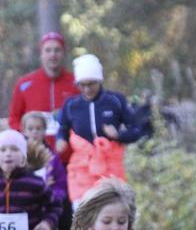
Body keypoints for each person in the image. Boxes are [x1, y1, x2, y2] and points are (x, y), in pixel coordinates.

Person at [55, 54, 148, 203]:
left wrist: (118, 136)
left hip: (110, 167)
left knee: (111, 213)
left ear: (99, 80)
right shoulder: (71, 105)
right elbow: (63, 128)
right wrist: (61, 139)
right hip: (82, 169)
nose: (87, 89)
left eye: (91, 84)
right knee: (83, 217)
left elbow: (137, 129)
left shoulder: (115, 100)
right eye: (82, 85)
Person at [21, 111, 73, 230]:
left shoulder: (52, 157)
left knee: (66, 224)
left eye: (39, 128)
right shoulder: (18, 155)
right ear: (24, 130)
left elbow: (60, 183)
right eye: (31, 128)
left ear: (45, 131)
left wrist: (54, 195)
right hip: (30, 205)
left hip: (53, 201)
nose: (35, 132)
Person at [7, 31, 79, 152]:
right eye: (48, 50)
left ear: (64, 54)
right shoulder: (24, 84)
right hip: (34, 156)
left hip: (70, 158)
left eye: (57, 50)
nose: (53, 55)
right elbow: (14, 119)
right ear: (41, 54)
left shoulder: (76, 83)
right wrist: (26, 137)